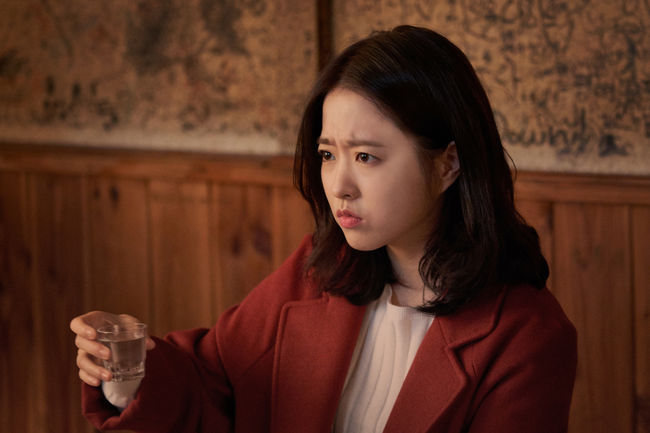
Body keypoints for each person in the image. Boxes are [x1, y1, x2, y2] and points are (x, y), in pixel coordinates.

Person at [71, 25, 577, 433]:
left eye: (366, 157)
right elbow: (213, 378)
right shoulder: (322, 269)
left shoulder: (527, 334)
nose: (339, 185)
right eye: (328, 154)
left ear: (448, 164)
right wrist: (124, 366)